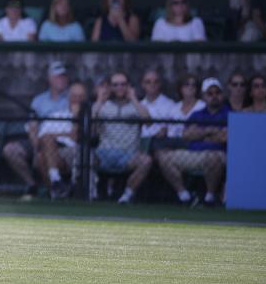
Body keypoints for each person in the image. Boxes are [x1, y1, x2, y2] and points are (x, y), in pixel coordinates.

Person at [2, 61, 71, 198]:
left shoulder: (72, 97)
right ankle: (32, 184)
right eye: (58, 76)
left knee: (44, 150)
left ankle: (56, 190)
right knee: (10, 150)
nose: (61, 80)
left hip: (62, 141)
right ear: (50, 79)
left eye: (64, 76)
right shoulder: (39, 100)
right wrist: (36, 145)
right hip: (39, 139)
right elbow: (33, 125)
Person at [157, 77, 228, 206]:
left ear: (222, 95)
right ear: (204, 96)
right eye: (210, 93)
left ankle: (209, 197)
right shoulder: (197, 114)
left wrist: (200, 132)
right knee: (163, 157)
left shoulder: (228, 113)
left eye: (217, 93)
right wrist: (210, 131)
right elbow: (186, 135)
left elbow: (225, 137)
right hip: (193, 153)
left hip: (217, 153)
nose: (214, 96)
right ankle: (184, 196)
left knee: (213, 158)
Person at [92, 72, 153, 204]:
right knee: (83, 155)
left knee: (146, 161)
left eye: (123, 84)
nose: (119, 87)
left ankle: (126, 195)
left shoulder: (137, 106)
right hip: (104, 153)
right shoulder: (102, 106)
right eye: (115, 85)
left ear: (129, 86)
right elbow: (91, 129)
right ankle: (91, 193)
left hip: (129, 155)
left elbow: (148, 122)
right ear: (110, 87)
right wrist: (99, 101)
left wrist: (134, 99)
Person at [139, 69, 178, 139]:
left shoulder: (170, 105)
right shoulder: (139, 105)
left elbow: (170, 131)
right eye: (148, 82)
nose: (152, 85)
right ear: (142, 84)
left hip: (163, 144)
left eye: (156, 82)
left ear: (160, 84)